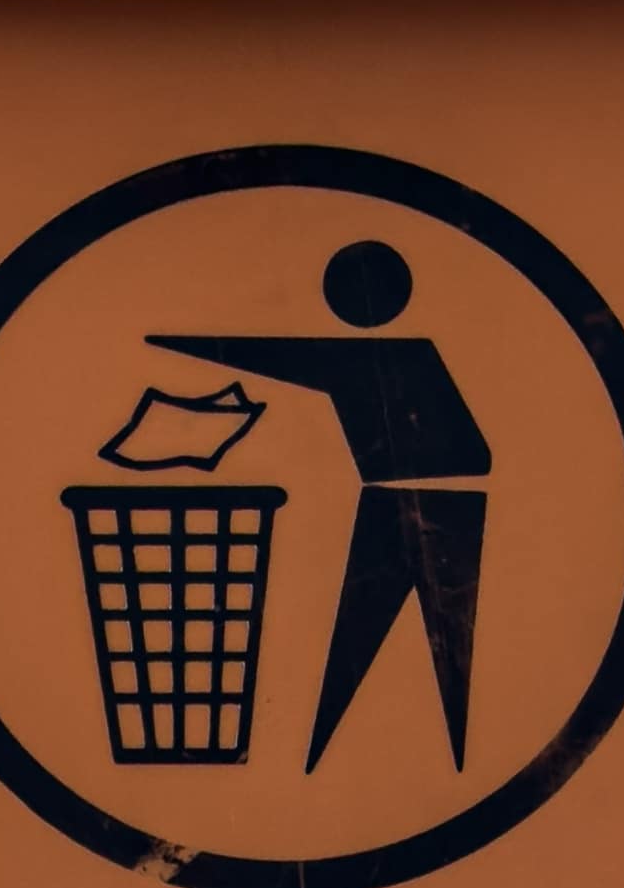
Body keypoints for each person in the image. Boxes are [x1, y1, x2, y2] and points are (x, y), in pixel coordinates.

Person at [148, 240, 489, 772]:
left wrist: (175, 341)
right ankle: (323, 758)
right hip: (411, 499)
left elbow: (285, 356)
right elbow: (293, 356)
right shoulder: (405, 357)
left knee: (425, 651)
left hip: (432, 503)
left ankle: (440, 762)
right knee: (370, 650)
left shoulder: (394, 357)